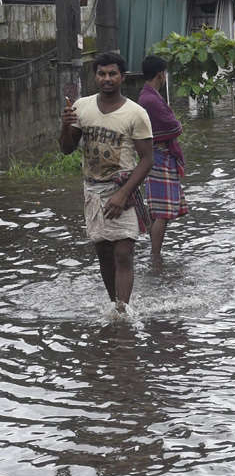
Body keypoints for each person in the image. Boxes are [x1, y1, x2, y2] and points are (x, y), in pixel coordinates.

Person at [59, 52, 154, 313]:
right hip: (93, 190)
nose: (107, 78)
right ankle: (116, 307)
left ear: (122, 77)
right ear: (95, 77)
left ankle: (122, 312)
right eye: (102, 74)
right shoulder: (82, 107)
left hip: (122, 190)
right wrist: (66, 126)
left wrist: (123, 195)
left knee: (123, 252)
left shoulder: (136, 113)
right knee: (104, 255)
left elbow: (147, 159)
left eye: (112, 74)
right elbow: (67, 148)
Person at [138, 55, 188, 262]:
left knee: (160, 210)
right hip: (159, 157)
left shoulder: (148, 96)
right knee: (162, 212)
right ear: (161, 74)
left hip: (157, 156)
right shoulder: (150, 99)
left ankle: (154, 252)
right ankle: (155, 256)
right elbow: (174, 126)